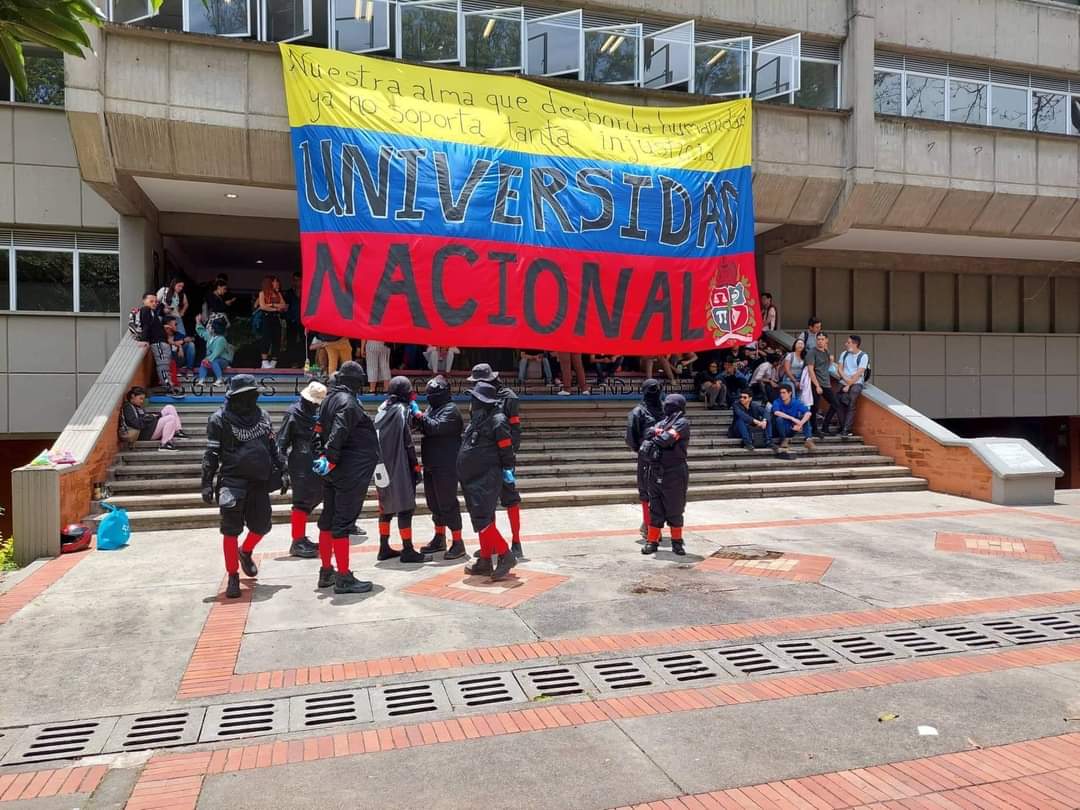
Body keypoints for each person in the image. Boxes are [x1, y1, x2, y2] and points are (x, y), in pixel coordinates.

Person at [201, 375, 289, 599]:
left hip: (259, 481)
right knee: (230, 531)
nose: (250, 399)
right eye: (245, 395)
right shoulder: (219, 419)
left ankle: (246, 551)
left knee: (262, 526)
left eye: (253, 394)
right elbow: (211, 453)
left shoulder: (263, 416)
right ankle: (232, 575)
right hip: (232, 482)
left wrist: (284, 469)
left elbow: (272, 446)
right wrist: (206, 482)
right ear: (234, 396)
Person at [312, 361, 382, 594]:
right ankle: (343, 576)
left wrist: (322, 457)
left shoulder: (328, 399)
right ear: (356, 382)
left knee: (327, 519)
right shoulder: (349, 403)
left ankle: (326, 571)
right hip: (349, 470)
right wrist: (330, 457)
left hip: (334, 471)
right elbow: (339, 431)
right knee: (342, 524)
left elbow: (319, 430)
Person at [457, 380, 517, 581]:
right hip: (473, 477)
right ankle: (484, 560)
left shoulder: (498, 420)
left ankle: (505, 554)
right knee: (481, 518)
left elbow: (506, 448)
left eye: (474, 399)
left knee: (483, 518)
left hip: (487, 476)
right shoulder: (479, 419)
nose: (471, 403)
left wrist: (508, 470)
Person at [373, 376, 430, 563]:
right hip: (399, 465)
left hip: (381, 465)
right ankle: (407, 549)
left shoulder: (382, 409)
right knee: (405, 508)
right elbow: (407, 441)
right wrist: (415, 465)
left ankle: (384, 547)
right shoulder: (402, 410)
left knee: (386, 509)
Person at [414, 376, 466, 560]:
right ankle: (439, 536)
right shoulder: (433, 408)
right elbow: (423, 426)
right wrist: (416, 417)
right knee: (433, 503)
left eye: (432, 394)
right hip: (431, 463)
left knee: (447, 503)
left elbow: (435, 427)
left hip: (446, 464)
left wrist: (420, 416)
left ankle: (458, 542)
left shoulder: (450, 410)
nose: (429, 398)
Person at [276, 381, 328, 559]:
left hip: (317, 459)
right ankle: (297, 541)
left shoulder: (319, 413)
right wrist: (281, 468)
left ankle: (300, 538)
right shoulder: (293, 412)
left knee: (317, 495)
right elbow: (281, 441)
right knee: (301, 501)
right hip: (300, 461)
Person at [640, 393, 690, 556]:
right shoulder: (663, 421)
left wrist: (657, 434)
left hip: (675, 471)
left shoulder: (682, 423)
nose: (665, 406)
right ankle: (652, 541)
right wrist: (658, 432)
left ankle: (677, 542)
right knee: (655, 506)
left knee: (675, 507)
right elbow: (647, 432)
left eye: (669, 404)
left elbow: (666, 439)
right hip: (656, 469)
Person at [626, 378, 665, 539]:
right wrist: (641, 449)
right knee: (645, 490)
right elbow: (631, 435)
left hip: (665, 456)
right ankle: (649, 524)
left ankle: (654, 524)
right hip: (647, 456)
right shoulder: (638, 412)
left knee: (662, 491)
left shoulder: (666, 410)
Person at [118, 385, 184, 452]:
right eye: (140, 398)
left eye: (143, 399)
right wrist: (150, 417)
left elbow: (143, 418)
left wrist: (152, 416)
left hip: (150, 429)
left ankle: (177, 432)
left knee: (169, 407)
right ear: (133, 396)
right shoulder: (128, 408)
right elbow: (136, 424)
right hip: (145, 434)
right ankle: (165, 444)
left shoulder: (138, 407)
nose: (142, 401)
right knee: (171, 418)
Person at [137, 292, 178, 395]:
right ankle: (168, 384)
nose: (154, 303)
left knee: (165, 364)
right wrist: (144, 340)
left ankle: (168, 383)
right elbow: (146, 325)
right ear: (144, 301)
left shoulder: (152, 312)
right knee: (163, 364)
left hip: (162, 342)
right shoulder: (145, 310)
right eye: (151, 301)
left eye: (156, 301)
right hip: (158, 343)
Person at [806, 332, 842, 437]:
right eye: (818, 339)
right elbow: (810, 370)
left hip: (826, 383)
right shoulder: (812, 352)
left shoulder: (826, 352)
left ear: (826, 340)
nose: (820, 341)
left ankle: (825, 427)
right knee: (815, 407)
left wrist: (831, 361)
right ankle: (814, 429)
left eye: (822, 339)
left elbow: (827, 367)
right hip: (815, 383)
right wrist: (817, 385)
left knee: (835, 404)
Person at [834, 335, 870, 438]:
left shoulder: (863, 356)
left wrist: (849, 385)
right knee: (837, 402)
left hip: (856, 382)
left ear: (855, 344)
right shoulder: (844, 354)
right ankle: (842, 426)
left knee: (851, 403)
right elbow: (840, 369)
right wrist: (846, 381)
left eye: (848, 342)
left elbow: (859, 373)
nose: (846, 344)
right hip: (844, 381)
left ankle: (846, 429)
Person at [771, 383, 815, 451]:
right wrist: (793, 419)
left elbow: (808, 413)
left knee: (805, 419)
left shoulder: (796, 402)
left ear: (790, 393)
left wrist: (801, 423)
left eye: (784, 393)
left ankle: (808, 440)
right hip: (780, 429)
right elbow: (776, 412)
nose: (782, 395)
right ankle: (784, 440)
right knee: (779, 419)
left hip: (793, 428)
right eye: (780, 393)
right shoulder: (777, 402)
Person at [255, 276, 287, 369]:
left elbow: (283, 305)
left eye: (278, 282)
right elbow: (263, 307)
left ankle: (274, 361)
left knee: (277, 339)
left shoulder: (278, 293)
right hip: (266, 318)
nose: (277, 284)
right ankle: (264, 361)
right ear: (270, 283)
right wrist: (276, 308)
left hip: (276, 319)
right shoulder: (262, 293)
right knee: (266, 338)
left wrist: (272, 305)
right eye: (275, 282)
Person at [195, 314, 234, 386]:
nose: (208, 327)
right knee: (203, 363)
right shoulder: (210, 336)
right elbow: (202, 332)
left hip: (223, 360)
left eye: (210, 327)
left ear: (213, 329)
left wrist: (208, 359)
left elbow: (217, 353)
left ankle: (219, 379)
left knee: (214, 361)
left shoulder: (221, 339)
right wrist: (198, 322)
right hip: (212, 358)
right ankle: (201, 380)